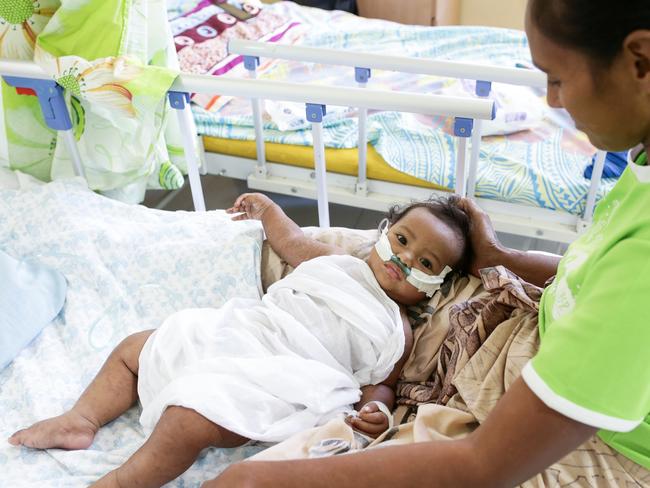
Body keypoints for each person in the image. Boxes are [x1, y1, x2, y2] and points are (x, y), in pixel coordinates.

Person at [205, 0, 650, 486]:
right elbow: (588, 275)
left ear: (640, 61)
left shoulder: (403, 330)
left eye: (557, 79)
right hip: (516, 348)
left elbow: (481, 463)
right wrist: (500, 259)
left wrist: (257, 480)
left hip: (583, 439)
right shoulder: (640, 166)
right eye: (397, 240)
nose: (551, 101)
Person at [7, 192, 471, 487]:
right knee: (136, 347)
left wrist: (379, 407)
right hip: (241, 334)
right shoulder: (336, 260)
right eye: (403, 240)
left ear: (438, 285)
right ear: (384, 233)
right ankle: (80, 419)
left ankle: (125, 481)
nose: (406, 259)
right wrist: (267, 211)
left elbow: (380, 382)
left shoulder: (398, 329)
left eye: (426, 264)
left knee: (190, 419)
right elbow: (289, 242)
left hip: (285, 377)